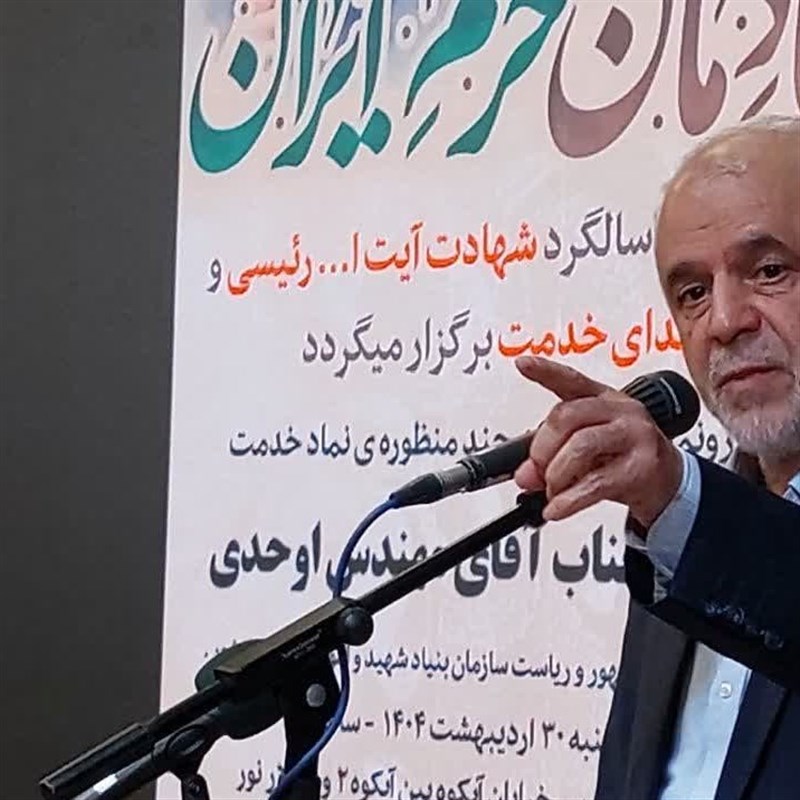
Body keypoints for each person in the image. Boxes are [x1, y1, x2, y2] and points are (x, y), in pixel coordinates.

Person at [513, 115, 800, 800]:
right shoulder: (677, 553)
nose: (725, 321)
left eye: (769, 271)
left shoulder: (688, 522)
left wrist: (677, 502)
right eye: (692, 293)